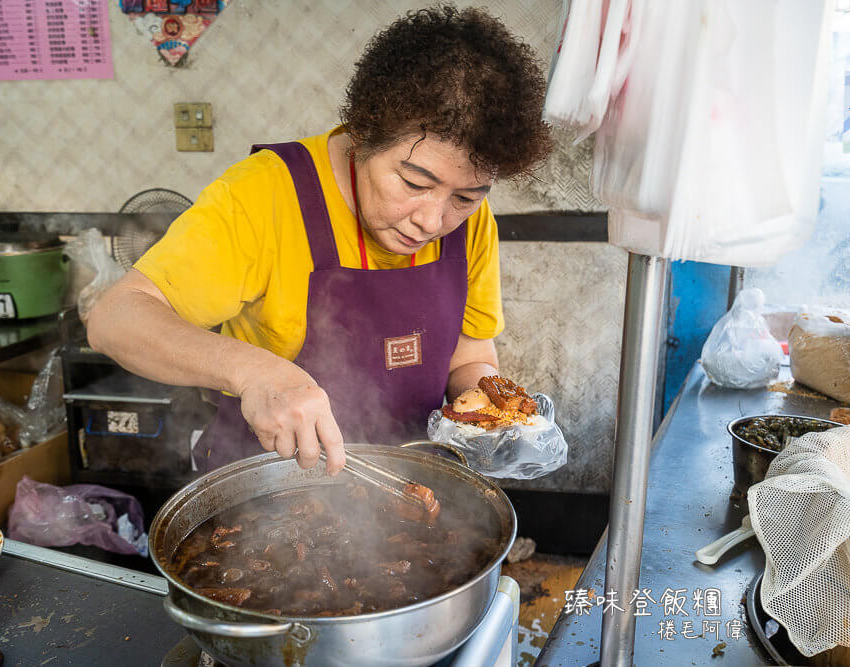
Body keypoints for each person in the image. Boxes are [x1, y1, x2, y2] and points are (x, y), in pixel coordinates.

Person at [86, 5, 552, 476]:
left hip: (411, 488)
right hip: (266, 493)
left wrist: (499, 410)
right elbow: (115, 319)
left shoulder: (471, 222)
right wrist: (254, 372)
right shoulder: (265, 193)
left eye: (466, 196)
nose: (432, 220)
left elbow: (470, 357)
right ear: (364, 135)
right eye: (414, 183)